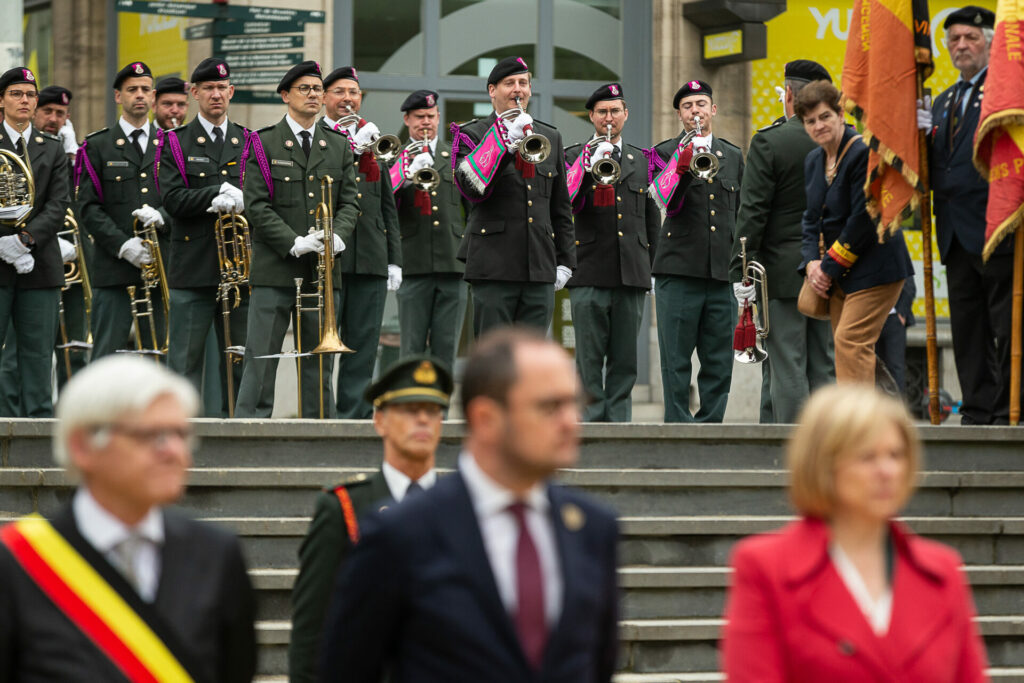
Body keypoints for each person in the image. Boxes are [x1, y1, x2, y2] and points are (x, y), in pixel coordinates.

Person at [320, 328, 619, 682]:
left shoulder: (592, 528)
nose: (572, 422)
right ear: (485, 419)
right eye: (550, 406)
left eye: (575, 404)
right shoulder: (402, 534)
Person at [0, 355, 257, 681]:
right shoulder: (15, 565)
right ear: (83, 446)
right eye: (154, 436)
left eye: (181, 434)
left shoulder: (216, 554)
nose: (176, 452)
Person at [721, 384, 988, 682]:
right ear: (823, 464)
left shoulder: (942, 571)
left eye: (896, 455)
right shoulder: (765, 568)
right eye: (867, 457)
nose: (887, 470)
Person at [288, 354, 451, 683]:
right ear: (379, 421)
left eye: (432, 411)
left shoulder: (461, 506)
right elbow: (312, 631)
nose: (423, 420)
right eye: (409, 410)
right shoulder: (345, 507)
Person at [235, 60, 359, 419]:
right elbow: (255, 205)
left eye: (318, 90)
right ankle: (249, 437)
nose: (313, 95)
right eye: (304, 88)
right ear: (285, 95)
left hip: (322, 273)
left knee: (318, 367)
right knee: (260, 361)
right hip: (275, 268)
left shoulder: (337, 145)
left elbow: (350, 202)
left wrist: (338, 235)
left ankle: (319, 439)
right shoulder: (263, 142)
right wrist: (292, 241)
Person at [730, 61, 835, 424]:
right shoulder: (847, 137)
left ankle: (792, 455)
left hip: (782, 273)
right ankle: (825, 452)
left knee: (787, 365)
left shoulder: (770, 140)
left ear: (788, 94)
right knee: (825, 366)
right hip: (836, 268)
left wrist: (740, 271)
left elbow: (752, 215)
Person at [918, 6, 1006, 424]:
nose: (961, 46)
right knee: (968, 328)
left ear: (989, 41)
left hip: (998, 227)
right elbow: (941, 166)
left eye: (970, 37)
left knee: (1007, 326)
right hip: (953, 231)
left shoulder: (1007, 93)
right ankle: (978, 408)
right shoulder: (945, 99)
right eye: (953, 39)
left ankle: (1011, 408)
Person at [797, 80, 913, 384]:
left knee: (850, 341)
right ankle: (878, 415)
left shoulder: (863, 152)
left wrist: (828, 267)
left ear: (841, 115)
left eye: (824, 117)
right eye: (810, 121)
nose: (818, 126)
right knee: (847, 348)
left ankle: (858, 426)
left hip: (877, 267)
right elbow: (810, 218)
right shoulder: (813, 161)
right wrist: (811, 264)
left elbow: (862, 218)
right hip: (839, 272)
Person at [451, 57, 576, 335]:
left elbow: (560, 206)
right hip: (493, 265)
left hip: (539, 265)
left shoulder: (549, 136)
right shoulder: (471, 134)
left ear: (530, 90)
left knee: (532, 359)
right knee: (495, 358)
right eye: (509, 84)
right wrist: (503, 145)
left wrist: (566, 260)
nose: (517, 90)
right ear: (492, 91)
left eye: (523, 83)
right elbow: (471, 191)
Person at [649, 79, 744, 422]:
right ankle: (677, 428)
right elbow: (666, 202)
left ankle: (711, 429)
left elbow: (741, 214)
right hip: (678, 271)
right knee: (675, 360)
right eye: (688, 106)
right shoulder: (663, 153)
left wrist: (742, 271)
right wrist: (684, 166)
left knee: (718, 360)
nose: (696, 111)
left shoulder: (732, 155)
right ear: (679, 114)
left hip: (721, 273)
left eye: (701, 104)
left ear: (713, 110)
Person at [160, 57, 250, 417]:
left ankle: (240, 442)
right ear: (194, 93)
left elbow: (263, 196)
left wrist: (244, 199)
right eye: (208, 89)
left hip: (239, 270)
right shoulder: (175, 143)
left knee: (241, 361)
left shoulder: (249, 140)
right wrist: (214, 195)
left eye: (222, 89)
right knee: (183, 363)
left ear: (231, 92)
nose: (216, 95)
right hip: (193, 266)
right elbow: (172, 198)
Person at [563, 83, 658, 422]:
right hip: (588, 270)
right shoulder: (574, 156)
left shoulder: (640, 160)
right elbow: (564, 206)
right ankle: (589, 423)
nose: (609, 117)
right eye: (602, 112)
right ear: (591, 116)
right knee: (589, 358)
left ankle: (620, 422)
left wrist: (653, 268)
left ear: (625, 114)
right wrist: (588, 168)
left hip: (629, 272)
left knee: (625, 359)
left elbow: (650, 217)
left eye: (615, 110)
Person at [318, 66, 402, 419]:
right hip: (329, 258)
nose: (348, 99)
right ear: (324, 98)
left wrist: (394, 259)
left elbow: (387, 205)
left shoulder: (373, 139)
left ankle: (354, 416)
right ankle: (320, 416)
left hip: (369, 255)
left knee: (363, 344)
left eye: (354, 92)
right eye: (340, 92)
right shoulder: (316, 135)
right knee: (322, 346)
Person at [77, 61, 171, 360]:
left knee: (160, 357)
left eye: (145, 89)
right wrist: (122, 245)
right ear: (118, 96)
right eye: (132, 90)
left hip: (162, 270)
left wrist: (164, 217)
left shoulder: (170, 145)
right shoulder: (98, 145)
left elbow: (181, 199)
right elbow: (88, 208)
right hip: (114, 270)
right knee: (107, 355)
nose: (139, 95)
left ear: (154, 96)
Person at [0, 82, 79, 415]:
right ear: (1, 100)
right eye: (16, 93)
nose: (24, 100)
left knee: (37, 357)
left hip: (40, 263)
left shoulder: (52, 147)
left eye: (30, 95)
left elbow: (59, 203)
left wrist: (24, 240)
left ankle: (37, 439)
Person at [392, 89, 469, 372]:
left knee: (445, 348)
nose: (425, 122)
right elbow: (385, 205)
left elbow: (472, 209)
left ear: (438, 118)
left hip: (452, 263)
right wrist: (406, 173)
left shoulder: (455, 156)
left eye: (430, 116)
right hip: (412, 264)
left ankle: (442, 415)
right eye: (419, 117)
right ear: (407, 119)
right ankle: (411, 411)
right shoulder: (394, 157)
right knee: (411, 348)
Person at [875, 275, 916, 398]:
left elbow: (909, 286)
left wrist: (901, 313)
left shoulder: (899, 256)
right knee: (872, 365)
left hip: (893, 319)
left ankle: (899, 408)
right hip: (873, 318)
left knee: (895, 366)